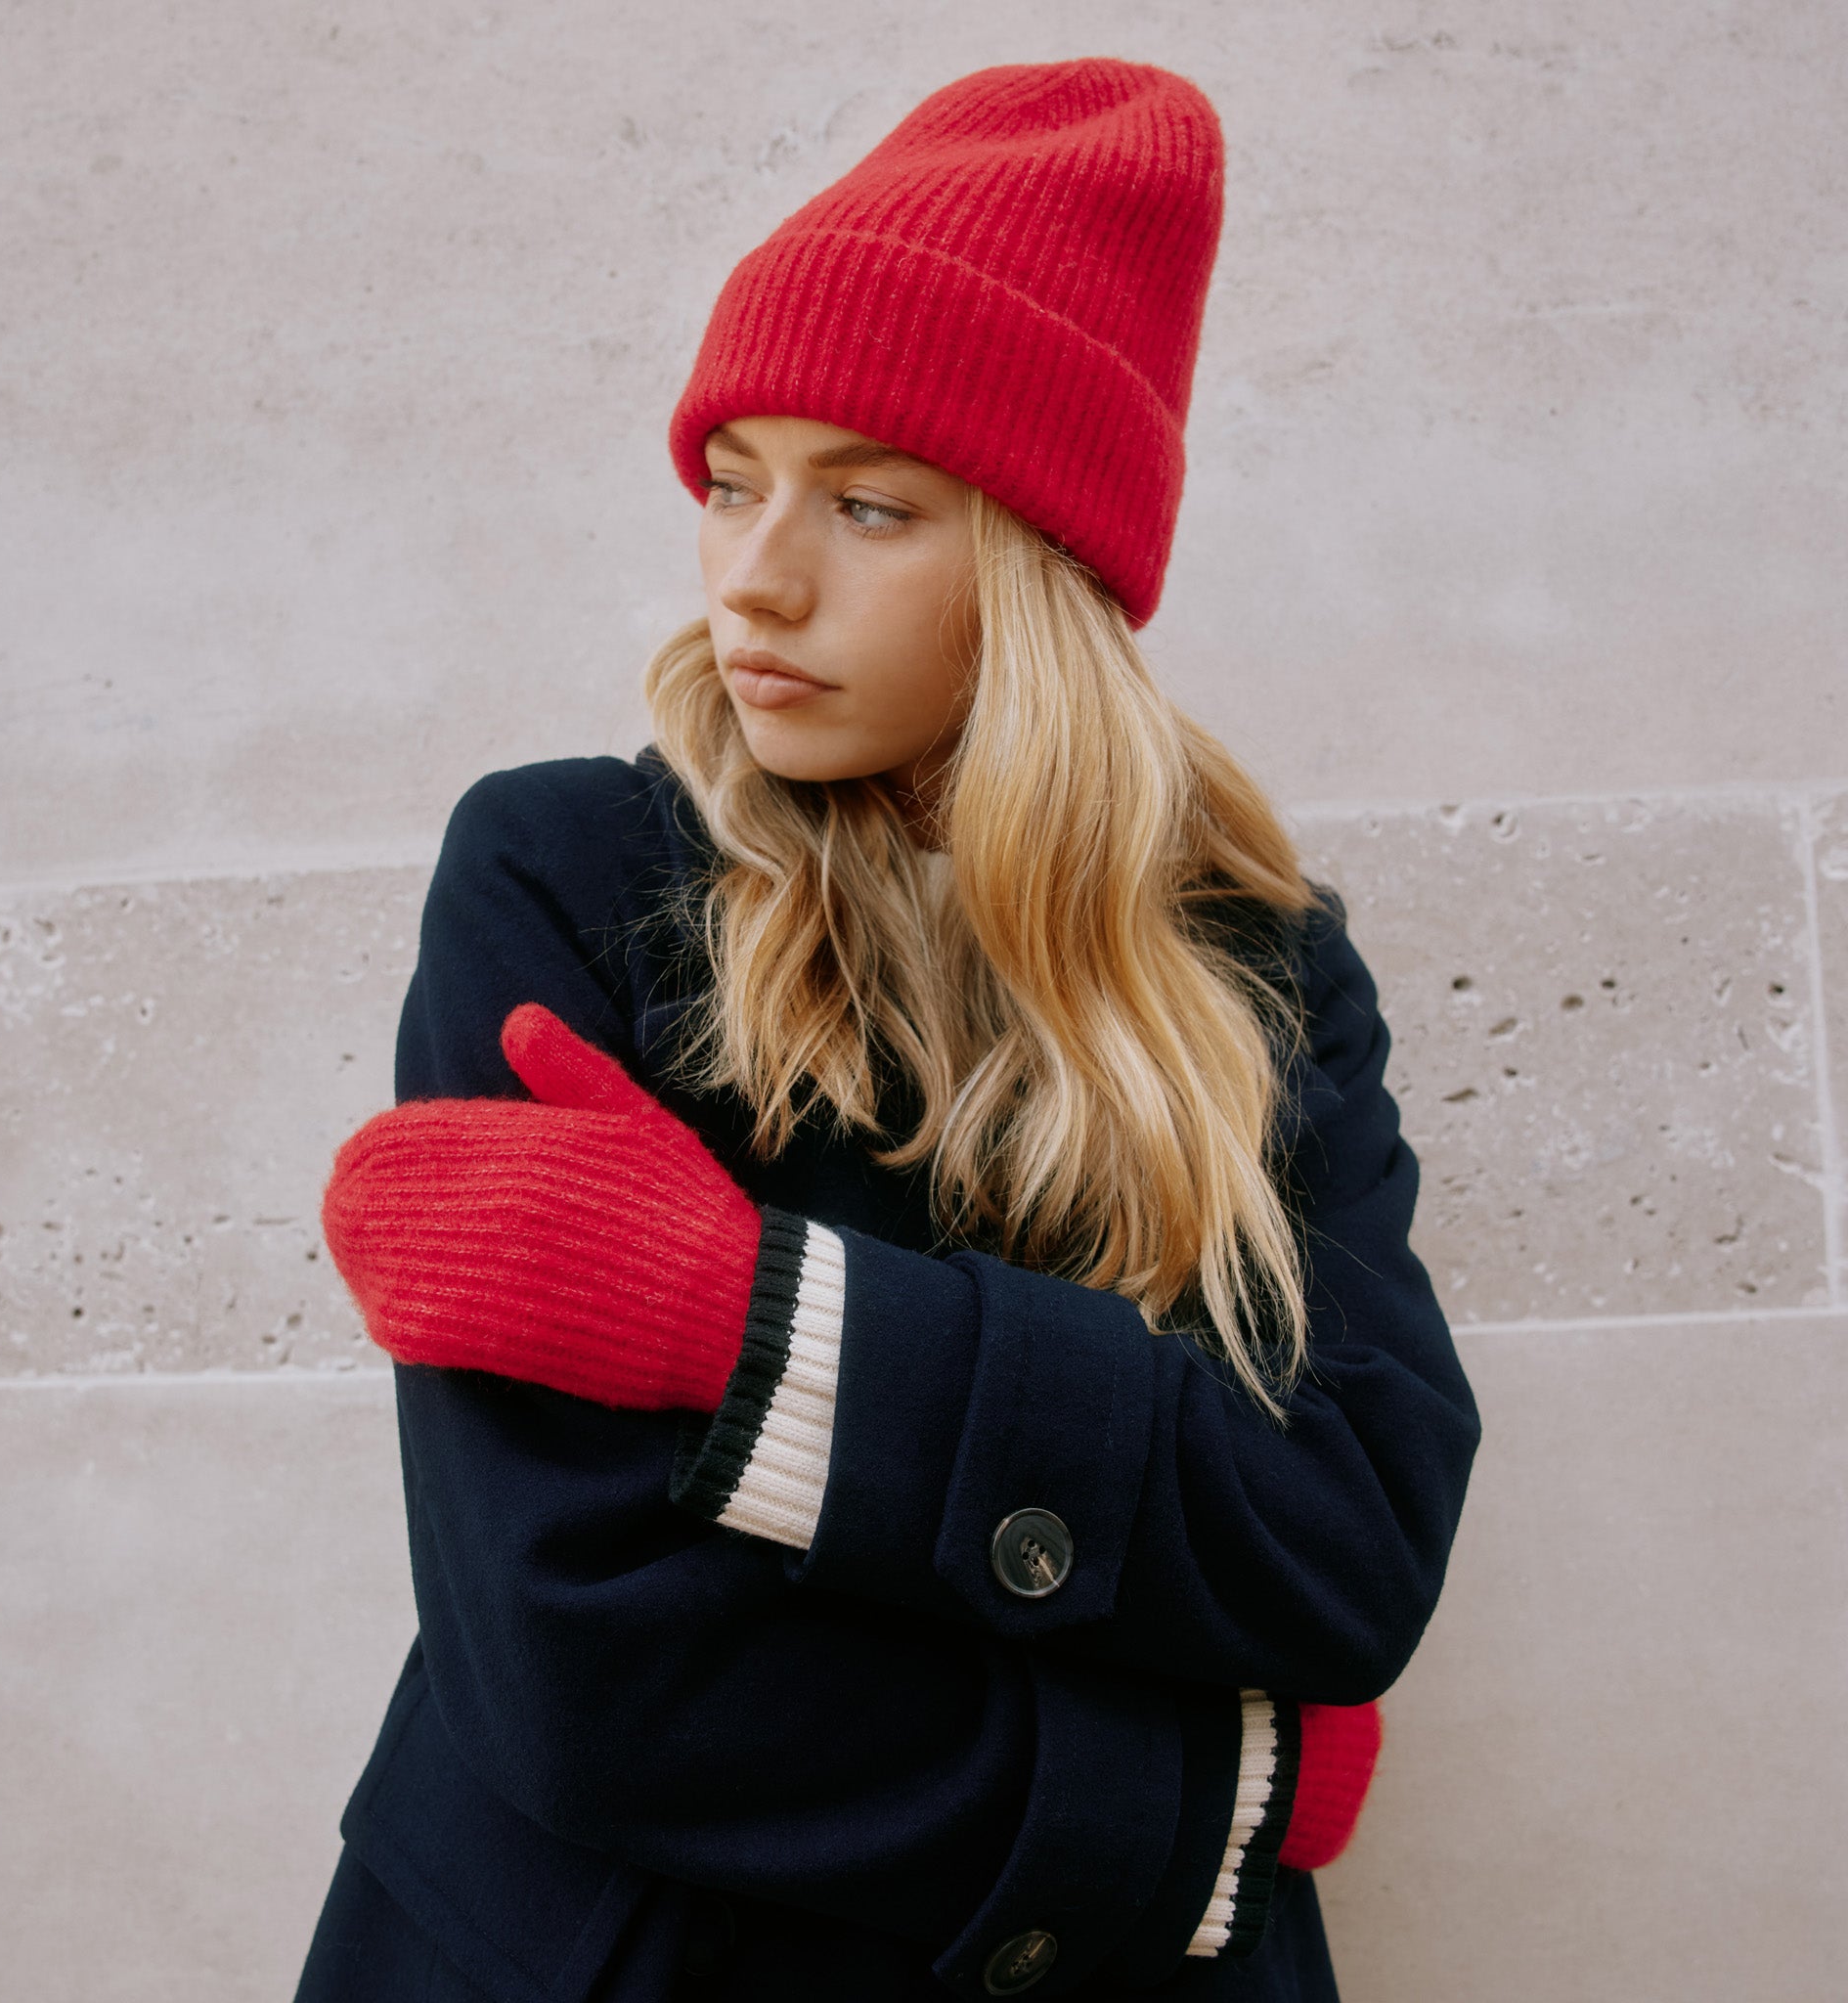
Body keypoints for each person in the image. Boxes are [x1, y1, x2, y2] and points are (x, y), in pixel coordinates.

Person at [294, 56, 1479, 2003]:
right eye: (729, 480)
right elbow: (579, 1661)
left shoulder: (1254, 975)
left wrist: (743, 1325)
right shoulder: (564, 878)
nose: (756, 575)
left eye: (867, 502)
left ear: (1039, 568)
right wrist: (1206, 1787)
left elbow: (1346, 1545)